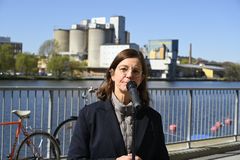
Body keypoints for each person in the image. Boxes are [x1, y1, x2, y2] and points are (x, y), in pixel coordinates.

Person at [68, 48, 169, 160]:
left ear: (141, 78)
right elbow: (74, 158)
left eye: (135, 71)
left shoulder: (153, 118)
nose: (129, 75)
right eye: (123, 69)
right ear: (112, 74)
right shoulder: (89, 115)